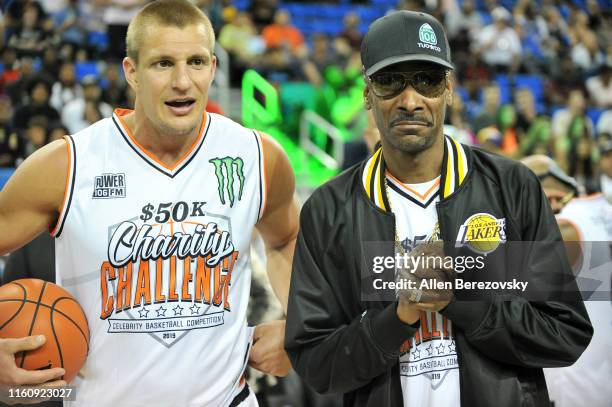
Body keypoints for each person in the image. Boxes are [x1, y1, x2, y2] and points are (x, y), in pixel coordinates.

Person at [285, 10, 592, 407]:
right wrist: (396, 318)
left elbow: (565, 334)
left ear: (448, 89)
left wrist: (461, 300)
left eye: (427, 81)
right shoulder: (328, 210)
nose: (410, 100)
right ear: (366, 93)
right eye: (390, 81)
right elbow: (316, 364)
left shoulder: (512, 187)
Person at [0, 1, 300, 406]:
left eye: (196, 62)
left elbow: (285, 239)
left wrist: (300, 326)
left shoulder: (257, 157)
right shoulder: (67, 165)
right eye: (162, 64)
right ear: (132, 72)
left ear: (213, 68)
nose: (182, 81)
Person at [522, 154, 612, 407]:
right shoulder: (602, 209)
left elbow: (493, 273)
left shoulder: (564, 226)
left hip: (572, 367)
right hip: (599, 360)